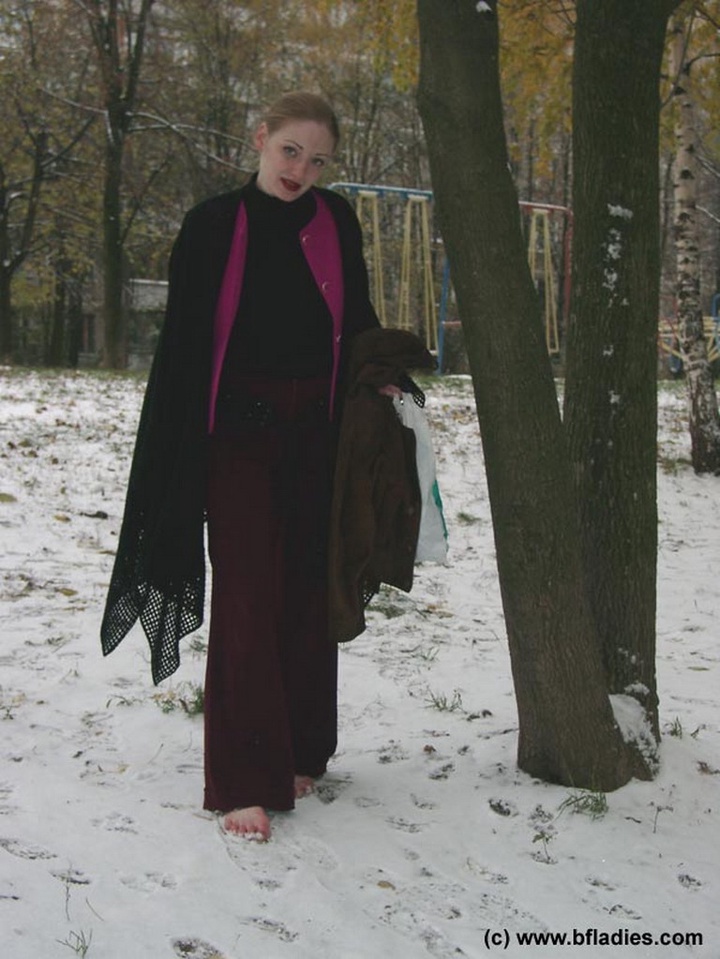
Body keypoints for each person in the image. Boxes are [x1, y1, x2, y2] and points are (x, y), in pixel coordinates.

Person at [100, 91, 434, 842]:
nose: (301, 170)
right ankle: (244, 778)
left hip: (317, 436)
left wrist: (379, 375)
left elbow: (353, 319)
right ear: (260, 139)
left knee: (307, 589)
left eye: (317, 160)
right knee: (248, 592)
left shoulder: (335, 221)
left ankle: (301, 749)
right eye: (290, 151)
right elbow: (187, 343)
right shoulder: (213, 224)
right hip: (236, 439)